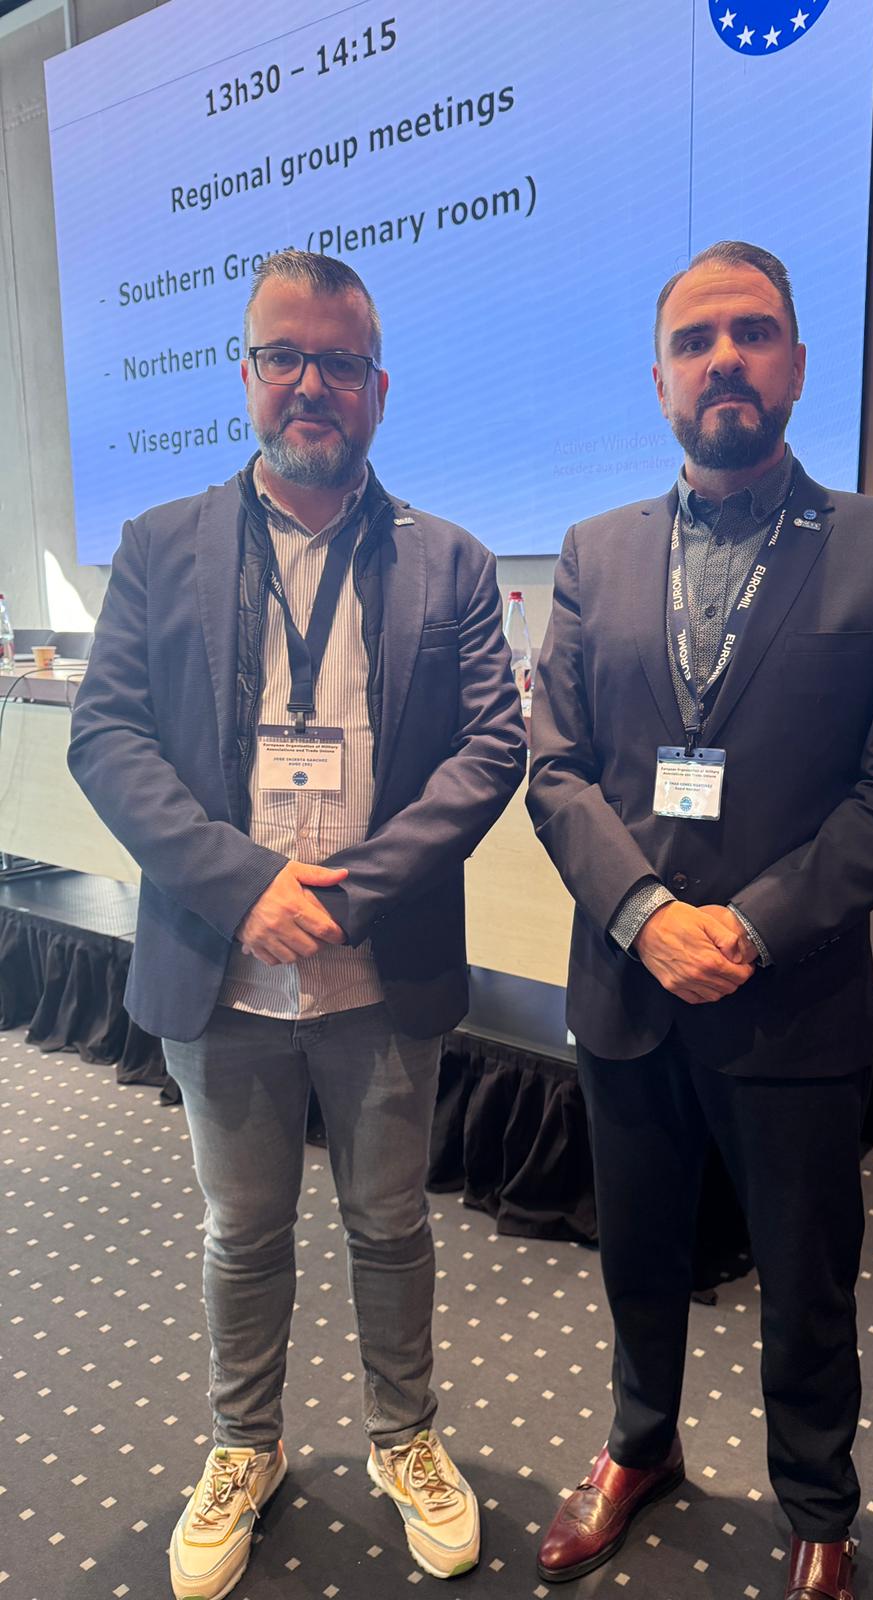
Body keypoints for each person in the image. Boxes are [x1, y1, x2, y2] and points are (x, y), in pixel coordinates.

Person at [69, 250, 526, 1597]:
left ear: (378, 391)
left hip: (380, 968)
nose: (310, 384)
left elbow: (493, 746)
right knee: (242, 1229)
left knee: (389, 1223)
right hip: (223, 964)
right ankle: (244, 1445)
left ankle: (404, 1439)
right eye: (285, 356)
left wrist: (356, 892)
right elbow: (109, 734)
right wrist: (239, 883)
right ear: (248, 374)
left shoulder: (448, 560)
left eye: (338, 363)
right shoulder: (160, 547)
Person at [526, 241, 873, 1599]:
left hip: (793, 998)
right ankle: (637, 1446)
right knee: (639, 1252)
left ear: (795, 366)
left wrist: (752, 927)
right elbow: (555, 767)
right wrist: (649, 915)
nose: (726, 358)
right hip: (626, 989)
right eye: (698, 338)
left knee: (807, 1283)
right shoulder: (595, 554)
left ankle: (819, 1510)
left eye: (754, 332)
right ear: (659, 378)